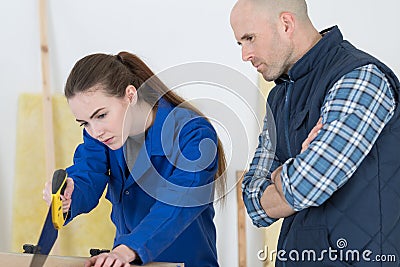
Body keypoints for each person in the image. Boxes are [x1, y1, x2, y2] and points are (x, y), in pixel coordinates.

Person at [230, 0, 400, 266]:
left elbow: (306, 186)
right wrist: (296, 170)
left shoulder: (360, 78)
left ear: (286, 24)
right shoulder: (278, 96)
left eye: (250, 38)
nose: (245, 55)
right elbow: (253, 202)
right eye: (240, 44)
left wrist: (278, 175)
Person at [43, 51, 227, 267]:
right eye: (85, 123)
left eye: (101, 115)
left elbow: (178, 202)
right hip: (124, 260)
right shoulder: (102, 134)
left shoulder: (192, 134)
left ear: (130, 95)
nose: (95, 132)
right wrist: (71, 194)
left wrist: (129, 248)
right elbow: (88, 172)